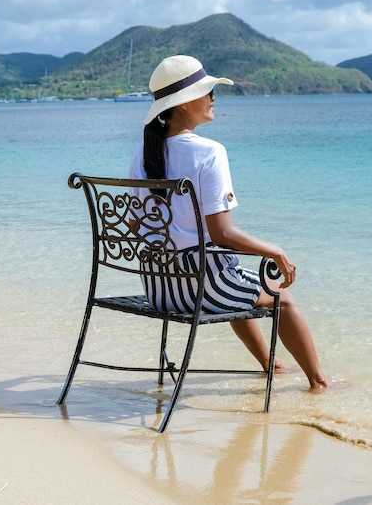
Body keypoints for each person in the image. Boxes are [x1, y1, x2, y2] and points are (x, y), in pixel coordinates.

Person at [128, 55, 327, 391]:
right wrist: (275, 250)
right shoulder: (208, 152)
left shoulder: (142, 150)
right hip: (201, 288)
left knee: (240, 280)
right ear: (185, 103)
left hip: (160, 288)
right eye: (207, 92)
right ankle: (319, 383)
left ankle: (269, 364)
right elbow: (223, 233)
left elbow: (136, 225)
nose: (212, 98)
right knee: (280, 296)